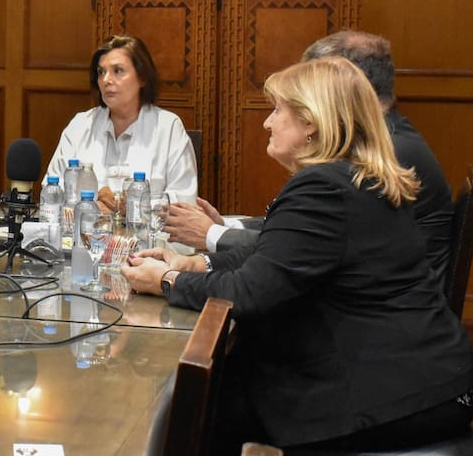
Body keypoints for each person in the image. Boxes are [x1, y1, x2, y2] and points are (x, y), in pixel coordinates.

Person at [123, 57, 473, 456]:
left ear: (310, 122)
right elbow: (277, 257)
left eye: (277, 110)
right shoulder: (357, 177)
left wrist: (167, 281)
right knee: (224, 389)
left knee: (200, 413)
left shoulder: (323, 188)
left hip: (401, 395)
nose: (267, 123)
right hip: (430, 378)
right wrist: (195, 265)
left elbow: (248, 294)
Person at [165, 31, 454, 294]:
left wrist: (170, 277)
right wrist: (206, 254)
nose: (267, 122)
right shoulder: (371, 148)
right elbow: (299, 238)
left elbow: (278, 264)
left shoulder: (378, 156)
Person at [43, 35, 197, 209]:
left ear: (142, 77)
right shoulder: (80, 126)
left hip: (144, 226)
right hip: (86, 225)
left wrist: (130, 206)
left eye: (118, 71)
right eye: (101, 72)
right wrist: (94, 199)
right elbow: (51, 190)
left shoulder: (168, 128)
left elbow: (184, 200)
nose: (106, 80)